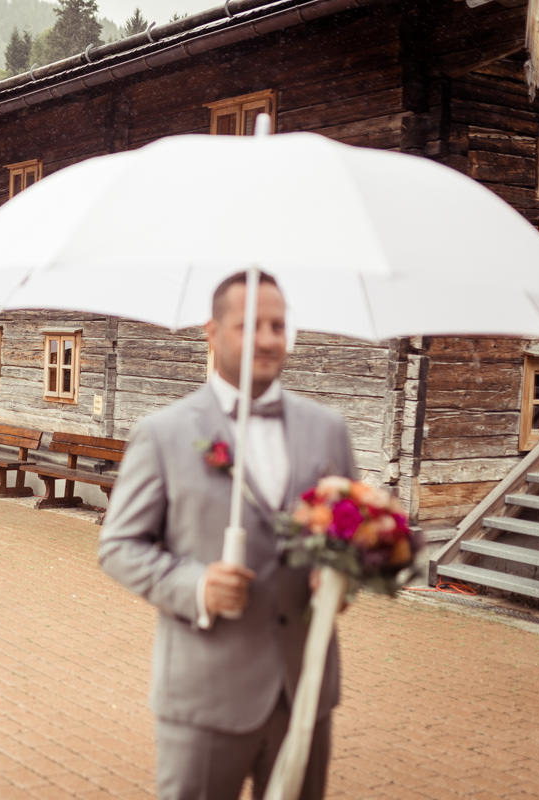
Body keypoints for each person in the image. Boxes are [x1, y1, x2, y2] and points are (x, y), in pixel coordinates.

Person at [98, 271, 356, 800]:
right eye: (250, 325)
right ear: (213, 332)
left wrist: (341, 580)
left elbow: (349, 538)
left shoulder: (328, 429)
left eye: (278, 325)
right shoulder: (164, 433)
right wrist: (194, 586)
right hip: (204, 693)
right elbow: (119, 545)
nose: (267, 338)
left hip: (303, 689)